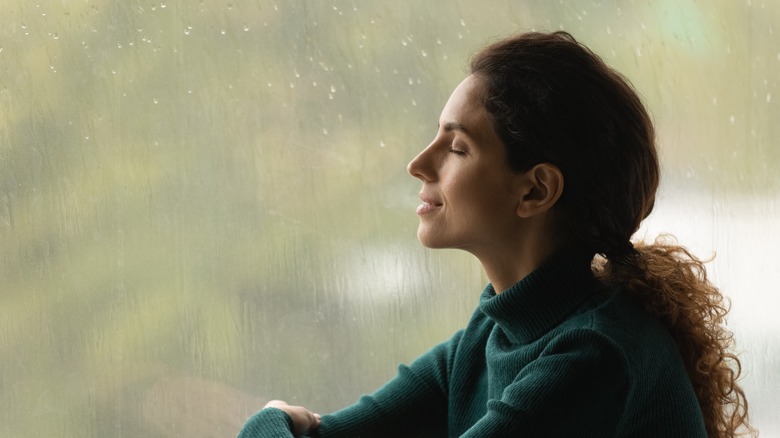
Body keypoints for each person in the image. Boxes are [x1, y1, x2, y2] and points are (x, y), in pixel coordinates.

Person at [238, 31, 752, 437]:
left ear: (535, 191)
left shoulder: (596, 357)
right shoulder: (490, 335)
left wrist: (269, 420)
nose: (418, 164)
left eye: (457, 147)